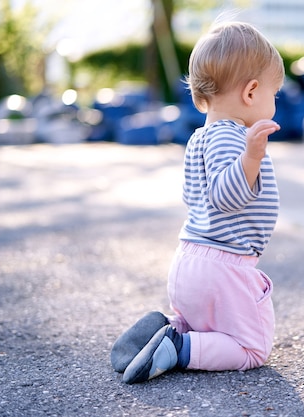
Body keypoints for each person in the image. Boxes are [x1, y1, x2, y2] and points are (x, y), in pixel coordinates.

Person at [110, 20, 285, 384]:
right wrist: (251, 157)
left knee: (205, 324)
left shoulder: (200, 138)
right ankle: (178, 347)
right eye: (274, 93)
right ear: (251, 92)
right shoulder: (232, 138)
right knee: (252, 348)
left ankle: (168, 329)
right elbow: (223, 197)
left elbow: (194, 197)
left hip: (189, 263)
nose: (275, 102)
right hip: (223, 270)